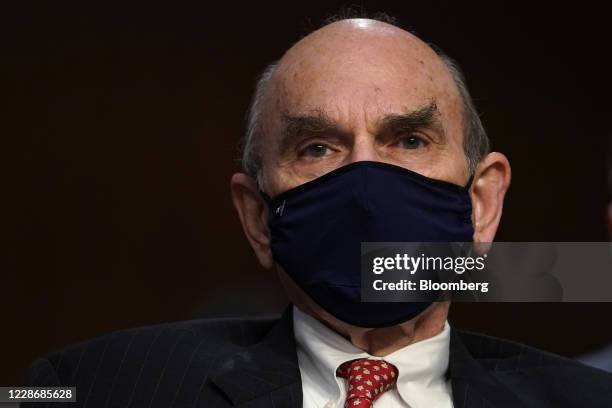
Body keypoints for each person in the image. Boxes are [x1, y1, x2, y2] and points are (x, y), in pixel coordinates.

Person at [25, 16, 612, 408]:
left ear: (482, 204)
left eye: (408, 140)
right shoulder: (88, 388)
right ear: (257, 217)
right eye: (317, 148)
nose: (365, 187)